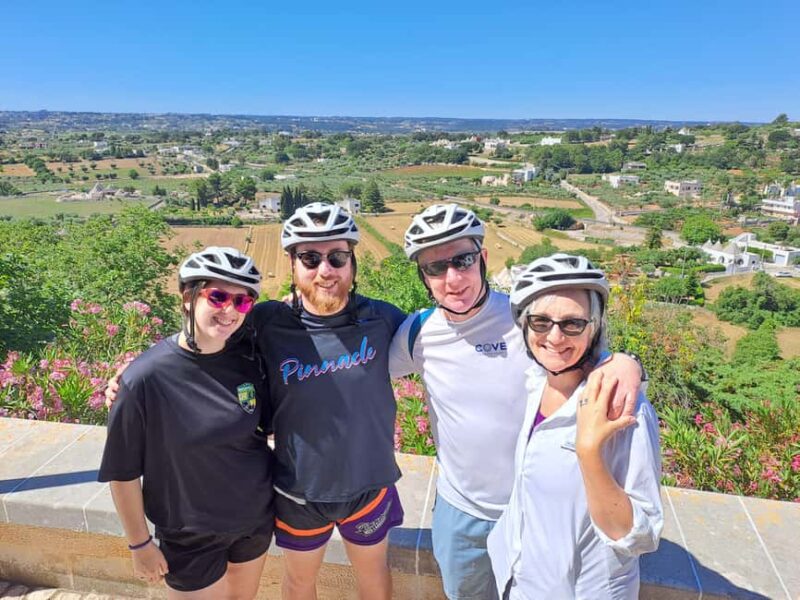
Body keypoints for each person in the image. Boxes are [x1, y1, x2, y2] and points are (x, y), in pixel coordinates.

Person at [389, 204, 644, 600]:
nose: (452, 278)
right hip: (461, 512)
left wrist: (627, 362)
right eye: (435, 267)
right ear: (423, 276)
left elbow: (582, 351)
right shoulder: (417, 334)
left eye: (462, 260)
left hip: (533, 510)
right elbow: (354, 368)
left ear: (483, 257)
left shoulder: (526, 319)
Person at [250, 202, 406, 600]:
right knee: (300, 583)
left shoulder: (384, 319)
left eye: (337, 257)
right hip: (299, 492)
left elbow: (447, 340)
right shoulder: (267, 323)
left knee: (374, 579)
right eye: (310, 258)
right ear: (292, 264)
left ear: (352, 263)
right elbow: (204, 348)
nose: (325, 270)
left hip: (369, 487)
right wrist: (134, 377)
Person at [98, 247, 274, 599]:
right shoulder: (144, 378)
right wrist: (139, 544)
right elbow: (122, 472)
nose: (229, 310)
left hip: (253, 520)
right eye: (218, 296)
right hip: (189, 534)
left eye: (242, 301)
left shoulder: (249, 360)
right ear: (188, 299)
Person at [487, 254, 663, 599]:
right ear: (524, 325)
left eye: (572, 324)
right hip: (519, 580)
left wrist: (588, 452)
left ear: (594, 327)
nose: (554, 337)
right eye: (540, 321)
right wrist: (629, 360)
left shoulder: (624, 408)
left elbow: (639, 536)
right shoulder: (535, 381)